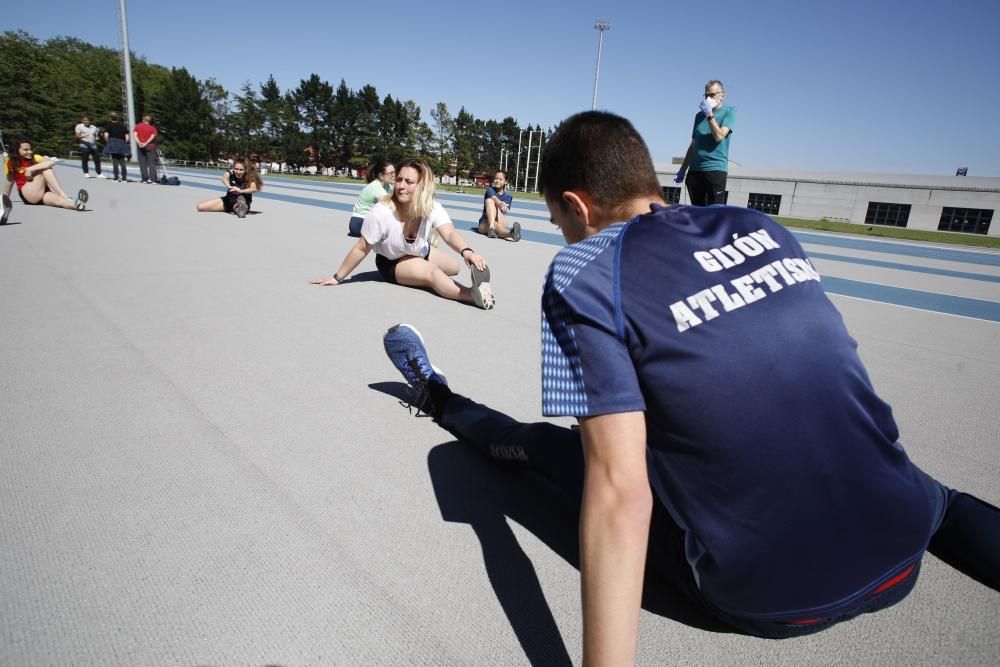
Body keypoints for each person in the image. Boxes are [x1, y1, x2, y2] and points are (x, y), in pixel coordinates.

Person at [381, 112, 999, 663]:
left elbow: (620, 494)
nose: (563, 235)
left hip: (758, 597)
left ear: (578, 206)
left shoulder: (581, 269)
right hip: (906, 544)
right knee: (932, 493)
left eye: (557, 220)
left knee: (547, 448)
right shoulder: (763, 227)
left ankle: (438, 397)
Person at [309, 158, 495, 310]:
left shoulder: (432, 207)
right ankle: (472, 295)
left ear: (422, 185)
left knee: (454, 267)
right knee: (432, 273)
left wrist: (468, 252)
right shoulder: (381, 211)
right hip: (392, 261)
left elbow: (449, 233)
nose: (401, 186)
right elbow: (361, 248)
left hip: (419, 250)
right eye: (399, 179)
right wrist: (337, 277)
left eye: (409, 181)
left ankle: (422, 273)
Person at [675, 80, 735, 205]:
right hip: (695, 171)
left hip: (715, 170)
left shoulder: (729, 112)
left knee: (715, 214)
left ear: (722, 95)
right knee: (697, 213)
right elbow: (693, 145)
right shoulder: (699, 116)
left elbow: (719, 136)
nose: (708, 98)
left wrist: (709, 114)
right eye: (706, 95)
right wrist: (683, 169)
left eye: (712, 95)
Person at [3, 138, 88, 213]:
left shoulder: (35, 157)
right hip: (27, 193)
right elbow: (9, 182)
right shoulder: (10, 162)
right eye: (25, 150)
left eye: (30, 149)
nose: (30, 152)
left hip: (43, 193)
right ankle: (64, 195)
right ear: (16, 150)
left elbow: (50, 162)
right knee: (46, 169)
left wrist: (30, 169)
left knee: (59, 201)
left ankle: (77, 204)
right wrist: (4, 200)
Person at [195, 158, 263, 218]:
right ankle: (235, 208)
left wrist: (241, 191)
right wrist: (229, 186)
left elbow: (254, 188)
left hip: (243, 199)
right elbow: (224, 178)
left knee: (237, 204)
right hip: (228, 200)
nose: (238, 172)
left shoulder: (249, 177)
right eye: (236, 169)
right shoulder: (230, 172)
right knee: (200, 207)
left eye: (241, 170)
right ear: (233, 168)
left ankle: (240, 208)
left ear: (246, 170)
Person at [348, 160, 394, 237]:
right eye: (391, 173)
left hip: (369, 220)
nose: (394, 175)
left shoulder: (388, 186)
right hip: (359, 223)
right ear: (381, 175)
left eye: (395, 172)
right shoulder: (376, 187)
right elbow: (389, 206)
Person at [478, 170, 521, 241]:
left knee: (498, 224)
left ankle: (509, 233)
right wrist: (501, 204)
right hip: (485, 221)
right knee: (490, 200)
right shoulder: (490, 190)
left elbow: (505, 210)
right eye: (496, 179)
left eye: (500, 179)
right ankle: (509, 233)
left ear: (506, 182)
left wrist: (504, 208)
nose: (497, 181)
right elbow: (494, 199)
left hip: (500, 219)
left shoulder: (508, 196)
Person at [74, 114, 105, 179]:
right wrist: (83, 136)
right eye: (85, 120)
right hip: (84, 144)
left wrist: (97, 137)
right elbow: (77, 136)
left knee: (97, 159)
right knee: (85, 159)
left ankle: (99, 174)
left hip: (93, 144)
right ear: (82, 121)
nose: (87, 121)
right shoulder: (79, 126)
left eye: (88, 120)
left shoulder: (93, 127)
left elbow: (96, 136)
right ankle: (86, 173)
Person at [103, 112, 130, 182]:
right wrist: (125, 143)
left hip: (113, 143)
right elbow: (127, 136)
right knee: (122, 161)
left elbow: (106, 135)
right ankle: (124, 177)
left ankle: (116, 177)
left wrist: (107, 142)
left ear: (110, 118)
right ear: (117, 118)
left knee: (115, 161)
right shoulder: (122, 125)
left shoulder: (108, 126)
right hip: (121, 143)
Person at [132, 115, 159, 184]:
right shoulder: (152, 128)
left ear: (143, 120)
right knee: (151, 163)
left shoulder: (138, 126)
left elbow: (135, 134)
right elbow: (152, 136)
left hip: (140, 146)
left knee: (142, 162)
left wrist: (139, 142)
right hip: (150, 146)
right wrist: (146, 142)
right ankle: (153, 180)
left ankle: (144, 179)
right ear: (149, 121)